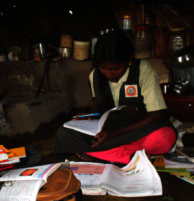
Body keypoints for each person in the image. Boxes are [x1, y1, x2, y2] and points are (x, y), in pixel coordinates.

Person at [51, 30, 177, 164]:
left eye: (116, 69)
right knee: (65, 133)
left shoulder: (143, 70)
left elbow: (157, 114)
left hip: (139, 128)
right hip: (112, 129)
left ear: (129, 60)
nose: (109, 74)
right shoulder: (94, 75)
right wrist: (89, 117)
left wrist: (117, 133)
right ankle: (129, 157)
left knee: (164, 138)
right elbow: (98, 110)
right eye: (103, 68)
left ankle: (106, 154)